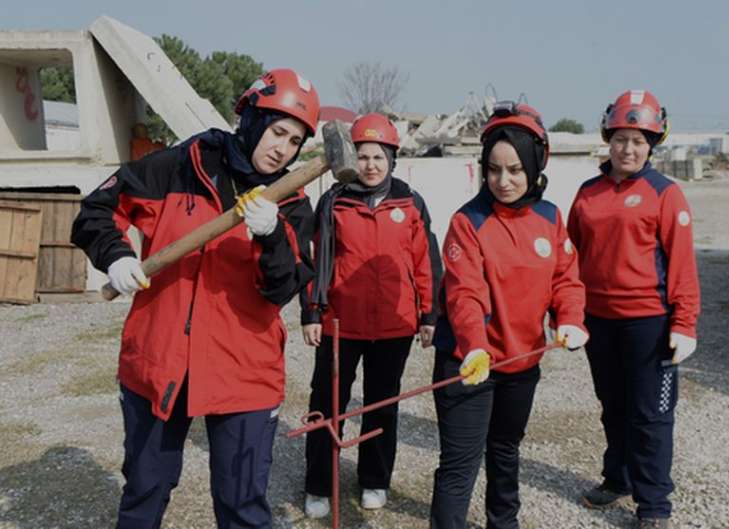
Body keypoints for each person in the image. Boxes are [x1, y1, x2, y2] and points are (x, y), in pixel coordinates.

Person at [71, 68, 320, 529]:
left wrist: (271, 239)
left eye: (295, 141)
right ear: (251, 119)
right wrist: (117, 256)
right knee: (145, 490)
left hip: (244, 369)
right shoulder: (181, 163)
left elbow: (282, 288)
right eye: (278, 131)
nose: (282, 148)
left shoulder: (292, 202)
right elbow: (97, 209)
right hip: (159, 358)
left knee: (242, 503)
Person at [429, 102, 588, 529]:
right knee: (460, 465)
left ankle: (505, 523)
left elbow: (565, 278)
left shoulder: (550, 217)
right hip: (470, 362)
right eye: (494, 170)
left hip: (522, 363)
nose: (503, 181)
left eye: (515, 169)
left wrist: (570, 317)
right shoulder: (468, 222)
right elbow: (464, 294)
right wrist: (474, 347)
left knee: (505, 450)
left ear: (536, 165)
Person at [567, 90, 700, 529]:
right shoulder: (587, 194)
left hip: (650, 324)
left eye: (639, 140)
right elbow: (570, 258)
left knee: (651, 416)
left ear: (652, 144)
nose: (628, 148)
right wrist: (565, 312)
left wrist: (684, 322)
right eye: (622, 138)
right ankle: (617, 477)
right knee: (613, 405)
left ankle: (654, 504)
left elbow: (681, 264)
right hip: (598, 322)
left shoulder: (666, 194)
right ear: (609, 139)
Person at [299, 113, 443, 518]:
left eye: (378, 156)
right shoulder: (334, 200)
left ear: (392, 158)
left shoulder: (410, 202)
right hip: (341, 324)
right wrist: (312, 311)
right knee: (328, 404)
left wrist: (429, 314)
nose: (370, 165)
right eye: (362, 156)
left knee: (382, 406)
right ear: (351, 159)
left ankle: (375, 481)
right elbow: (319, 258)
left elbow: (425, 262)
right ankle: (318, 485)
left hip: (394, 326)